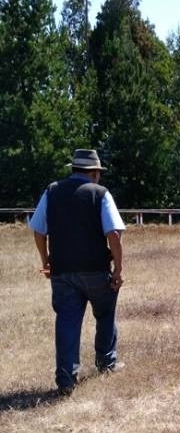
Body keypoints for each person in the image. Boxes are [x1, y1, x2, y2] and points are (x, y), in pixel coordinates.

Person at [29, 148, 126, 395]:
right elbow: (113, 234)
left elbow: (38, 230)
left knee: (67, 321)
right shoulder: (100, 194)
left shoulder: (51, 191)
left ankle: (65, 380)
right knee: (104, 314)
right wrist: (118, 269)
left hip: (62, 272)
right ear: (94, 172)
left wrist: (46, 260)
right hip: (96, 270)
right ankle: (106, 364)